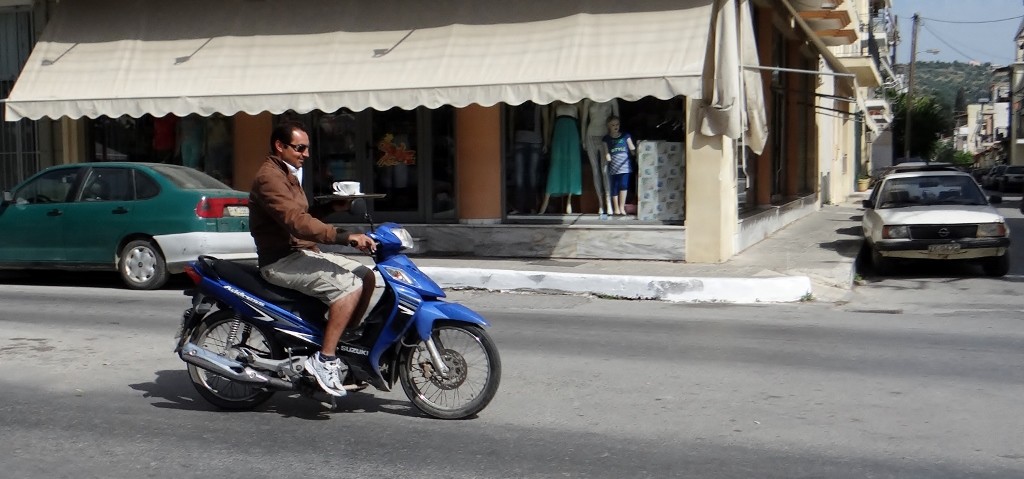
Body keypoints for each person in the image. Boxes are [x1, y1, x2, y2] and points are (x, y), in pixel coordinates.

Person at [248, 121, 376, 397]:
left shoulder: (289, 173)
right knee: (348, 288)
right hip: (281, 260)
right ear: (279, 146)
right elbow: (296, 223)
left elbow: (303, 216)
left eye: (307, 148)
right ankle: (324, 360)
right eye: (299, 148)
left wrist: (332, 207)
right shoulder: (270, 178)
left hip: (302, 252)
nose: (305, 154)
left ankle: (343, 341)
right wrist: (344, 237)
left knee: (366, 277)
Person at [538, 100, 583, 214]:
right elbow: (551, 122)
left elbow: (582, 122)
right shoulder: (556, 102)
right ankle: (546, 200)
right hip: (558, 132)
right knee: (556, 165)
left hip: (572, 133)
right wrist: (548, 140)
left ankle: (569, 201)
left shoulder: (578, 101)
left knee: (572, 165)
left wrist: (582, 139)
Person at [581, 99, 619, 215]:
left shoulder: (612, 99)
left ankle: (608, 201)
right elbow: (584, 120)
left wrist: (615, 139)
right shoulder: (588, 100)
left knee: (605, 170)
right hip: (590, 135)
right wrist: (583, 139)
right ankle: (601, 204)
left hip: (605, 136)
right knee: (595, 171)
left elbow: (617, 121)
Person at [601, 115, 636, 216]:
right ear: (608, 126)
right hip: (614, 167)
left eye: (617, 124)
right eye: (613, 125)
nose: (616, 126)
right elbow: (606, 151)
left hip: (625, 166)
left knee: (624, 186)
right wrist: (608, 156)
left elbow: (632, 147)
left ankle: (622, 207)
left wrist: (635, 152)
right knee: (615, 187)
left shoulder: (625, 136)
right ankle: (616, 208)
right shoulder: (606, 139)